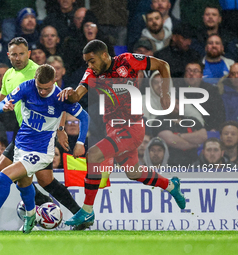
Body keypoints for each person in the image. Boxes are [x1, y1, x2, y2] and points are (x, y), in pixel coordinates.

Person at [57, 39, 186, 228]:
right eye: (87, 62)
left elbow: (162, 65)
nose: (89, 65)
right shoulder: (92, 73)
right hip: (113, 127)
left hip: (132, 126)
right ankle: (171, 186)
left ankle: (86, 211)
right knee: (133, 173)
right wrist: (69, 91)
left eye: (92, 61)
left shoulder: (128, 60)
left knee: (93, 154)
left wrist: (166, 94)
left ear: (104, 55)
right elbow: (77, 95)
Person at [0, 37, 84, 227]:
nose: (18, 57)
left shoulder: (37, 72)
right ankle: (55, 209)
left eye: (22, 53)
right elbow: (0, 101)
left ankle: (49, 208)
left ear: (28, 54)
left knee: (16, 171)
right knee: (30, 175)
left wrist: (61, 129)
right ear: (8, 55)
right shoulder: (8, 75)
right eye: (14, 54)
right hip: (24, 132)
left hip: (40, 134)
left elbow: (60, 100)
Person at [152, 95, 208, 166]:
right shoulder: (159, 120)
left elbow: (203, 136)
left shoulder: (192, 120)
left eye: (178, 103)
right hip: (168, 166)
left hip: (193, 165)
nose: (175, 106)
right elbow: (171, 140)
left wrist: (179, 136)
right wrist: (195, 144)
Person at [177, 62, 225, 131]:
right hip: (183, 128)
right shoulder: (176, 89)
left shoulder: (211, 90)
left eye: (195, 71)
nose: (191, 74)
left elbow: (219, 113)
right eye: (188, 71)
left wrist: (213, 128)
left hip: (207, 129)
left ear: (201, 75)